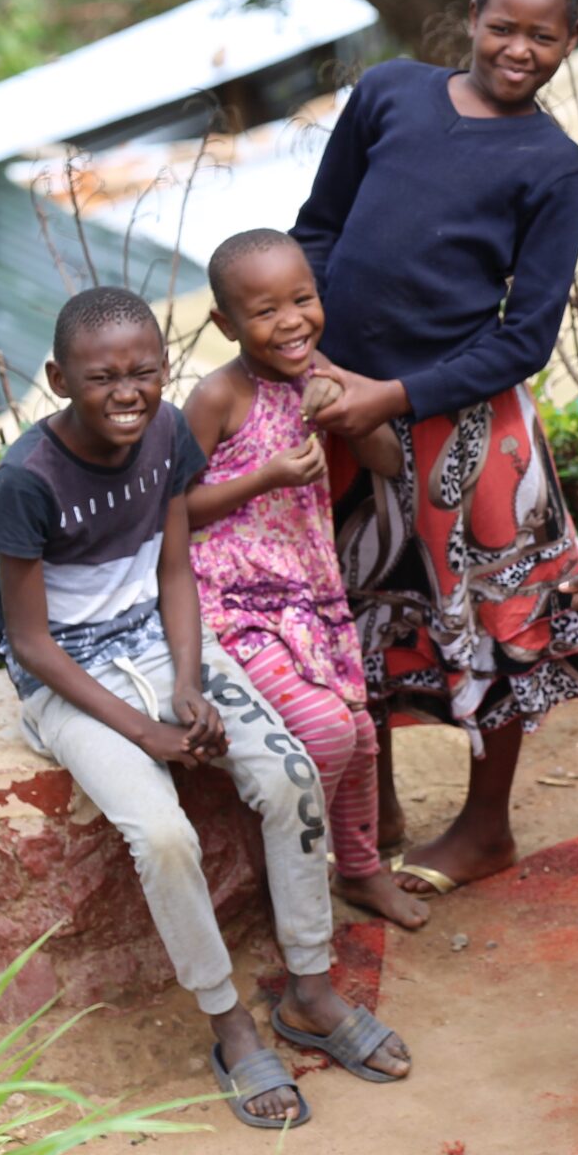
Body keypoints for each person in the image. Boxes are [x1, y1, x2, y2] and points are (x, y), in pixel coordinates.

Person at [0, 286, 412, 1128]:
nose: (127, 392)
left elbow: (175, 569)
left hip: (162, 642)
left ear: (165, 368)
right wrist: (145, 729)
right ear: (58, 377)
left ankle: (312, 991)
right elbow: (30, 643)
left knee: (290, 775)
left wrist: (188, 680)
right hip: (68, 674)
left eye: (144, 371)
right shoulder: (24, 481)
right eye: (102, 376)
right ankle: (229, 1022)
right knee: (164, 832)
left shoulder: (169, 434)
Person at [294, 0, 578, 898]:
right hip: (337, 405)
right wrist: (311, 362)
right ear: (471, 16)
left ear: (570, 44)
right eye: (504, 27)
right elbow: (318, 226)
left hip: (467, 435)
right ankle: (377, 808)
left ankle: (484, 826)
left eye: (543, 38)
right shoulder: (389, 92)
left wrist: (393, 396)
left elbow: (526, 337)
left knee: (503, 617)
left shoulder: (554, 167)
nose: (520, 49)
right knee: (360, 607)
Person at [183, 229, 429, 932]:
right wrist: (264, 476)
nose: (290, 320)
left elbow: (385, 459)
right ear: (226, 323)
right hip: (234, 606)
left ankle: (358, 871)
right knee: (325, 733)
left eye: (302, 299)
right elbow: (171, 507)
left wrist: (346, 412)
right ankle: (280, 866)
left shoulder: (321, 372)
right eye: (264, 310)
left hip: (311, 597)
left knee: (360, 732)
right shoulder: (216, 397)